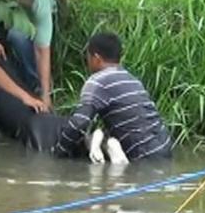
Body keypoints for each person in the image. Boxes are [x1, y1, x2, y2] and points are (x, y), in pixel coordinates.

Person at [54, 33, 172, 162]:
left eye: (87, 56)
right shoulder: (132, 80)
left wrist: (58, 153)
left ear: (96, 58)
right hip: (165, 148)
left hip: (143, 156)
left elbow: (79, 123)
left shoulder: (97, 81)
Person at [6, 0, 57, 111]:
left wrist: (46, 95)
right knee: (13, 36)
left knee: (19, 37)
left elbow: (42, 50)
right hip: (14, 13)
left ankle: (36, 85)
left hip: (42, 11)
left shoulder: (41, 3)